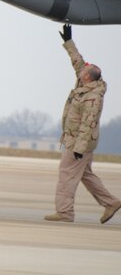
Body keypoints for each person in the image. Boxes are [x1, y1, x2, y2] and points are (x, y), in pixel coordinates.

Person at [44, 24, 121, 223]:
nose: (81, 69)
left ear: (87, 77)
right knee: (86, 175)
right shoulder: (85, 82)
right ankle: (111, 202)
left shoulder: (92, 97)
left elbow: (89, 123)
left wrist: (79, 147)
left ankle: (64, 212)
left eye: (84, 70)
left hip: (79, 142)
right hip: (77, 140)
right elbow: (77, 61)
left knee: (66, 175)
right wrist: (68, 41)